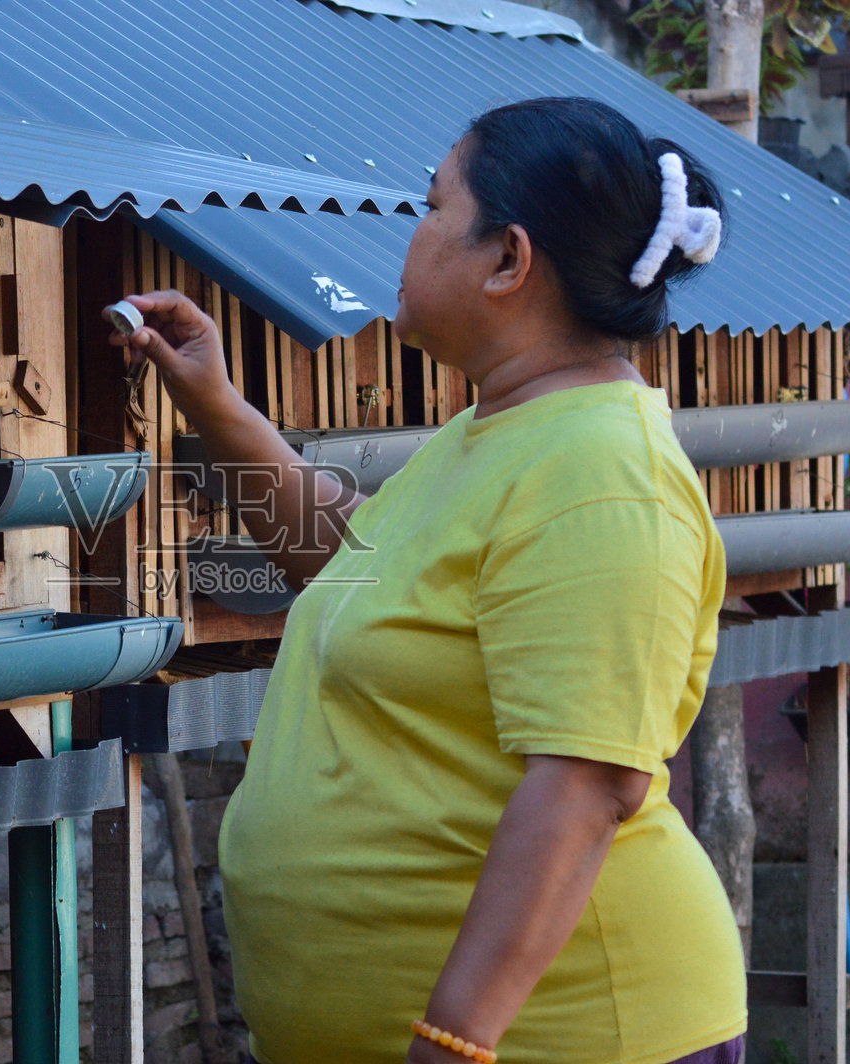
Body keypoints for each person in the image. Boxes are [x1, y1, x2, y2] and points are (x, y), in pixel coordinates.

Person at [110, 97, 745, 1064]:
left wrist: (454, 1041)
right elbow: (350, 567)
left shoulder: (603, 473)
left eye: (432, 205)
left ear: (508, 260)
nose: (409, 235)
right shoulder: (496, 433)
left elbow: (582, 787)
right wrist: (214, 402)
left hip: (563, 1039)